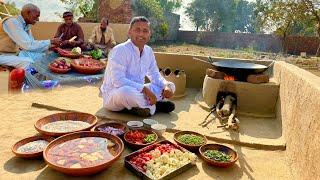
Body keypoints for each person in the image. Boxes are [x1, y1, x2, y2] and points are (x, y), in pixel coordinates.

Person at [100, 16, 175, 117]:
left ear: (149, 34)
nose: (141, 34)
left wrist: (166, 86)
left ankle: (140, 107)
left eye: (145, 31)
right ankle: (155, 107)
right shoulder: (120, 50)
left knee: (171, 85)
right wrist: (144, 89)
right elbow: (118, 81)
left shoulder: (148, 51)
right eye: (137, 30)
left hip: (139, 92)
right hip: (115, 95)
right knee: (126, 92)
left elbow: (155, 75)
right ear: (130, 32)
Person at [0, 3, 61, 69]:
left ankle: (40, 78)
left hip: (14, 54)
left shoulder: (26, 25)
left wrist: (49, 47)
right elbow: (28, 45)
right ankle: (27, 79)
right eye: (36, 16)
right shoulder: (12, 22)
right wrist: (50, 41)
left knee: (42, 57)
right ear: (27, 13)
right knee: (28, 62)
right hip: (2, 56)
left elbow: (32, 44)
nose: (38, 19)